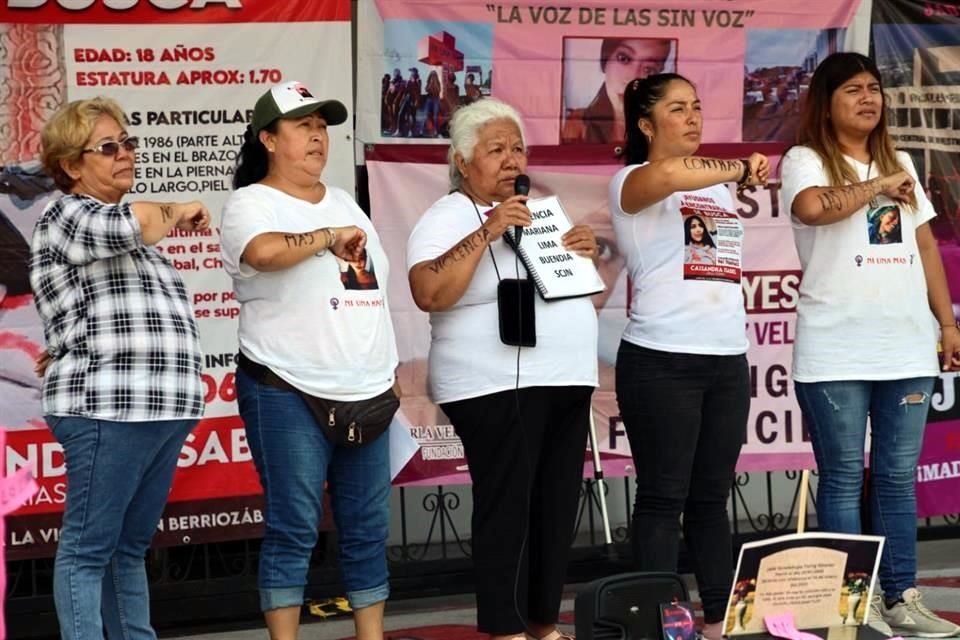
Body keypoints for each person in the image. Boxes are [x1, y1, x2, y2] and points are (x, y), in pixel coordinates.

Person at [780, 52, 960, 638]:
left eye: (874, 89)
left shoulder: (900, 159)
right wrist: (879, 184)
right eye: (853, 89)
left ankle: (901, 597)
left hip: (906, 345)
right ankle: (847, 609)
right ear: (826, 103)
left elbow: (926, 247)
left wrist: (947, 323)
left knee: (896, 477)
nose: (868, 98)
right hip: (836, 346)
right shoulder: (805, 160)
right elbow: (812, 208)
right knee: (839, 477)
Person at [407, 97, 599, 640]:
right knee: (509, 504)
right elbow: (428, 290)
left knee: (556, 508)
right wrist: (487, 232)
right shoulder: (445, 216)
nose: (512, 159)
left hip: (564, 379)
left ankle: (541, 622)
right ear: (463, 162)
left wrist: (583, 252)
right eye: (497, 149)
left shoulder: (539, 213)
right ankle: (506, 626)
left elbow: (573, 288)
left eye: (518, 148)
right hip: (494, 383)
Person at [220, 80, 398, 640]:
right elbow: (264, 254)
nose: (317, 136)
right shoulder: (252, 201)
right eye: (303, 125)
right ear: (268, 138)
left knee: (368, 527)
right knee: (295, 526)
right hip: (287, 386)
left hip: (365, 388)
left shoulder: (344, 199)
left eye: (322, 125)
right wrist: (324, 236)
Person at [29, 96, 209, 640]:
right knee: (87, 551)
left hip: (159, 410)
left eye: (127, 143)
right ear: (72, 165)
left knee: (126, 549)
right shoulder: (68, 214)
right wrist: (180, 208)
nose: (124, 154)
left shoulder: (127, 233)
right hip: (108, 408)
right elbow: (148, 219)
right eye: (108, 147)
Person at [608, 73, 769, 640]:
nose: (693, 117)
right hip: (662, 359)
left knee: (711, 497)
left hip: (724, 357)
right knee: (661, 496)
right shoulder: (631, 180)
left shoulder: (717, 189)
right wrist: (740, 166)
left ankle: (721, 619)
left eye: (698, 106)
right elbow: (671, 173)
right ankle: (652, 623)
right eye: (678, 109)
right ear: (646, 124)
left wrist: (731, 173)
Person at [561, 38, 673, 145]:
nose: (632, 78)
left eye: (649, 69)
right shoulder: (578, 123)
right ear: (605, 61)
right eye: (623, 59)